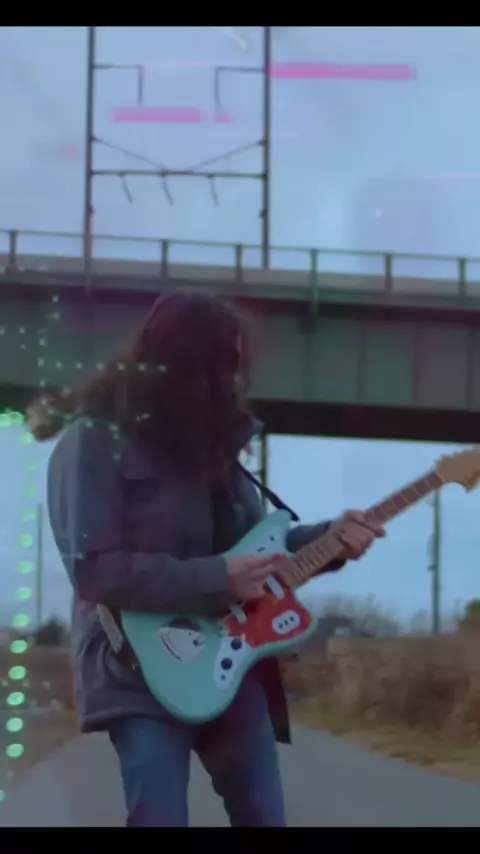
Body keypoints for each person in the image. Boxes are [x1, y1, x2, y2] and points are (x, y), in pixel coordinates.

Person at [28, 290, 385, 827]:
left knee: (264, 817)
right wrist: (217, 578)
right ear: (175, 364)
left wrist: (330, 541)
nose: (232, 381)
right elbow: (95, 569)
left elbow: (259, 553)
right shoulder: (94, 442)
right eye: (220, 366)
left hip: (232, 666)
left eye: (236, 367)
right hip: (138, 669)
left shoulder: (218, 449)